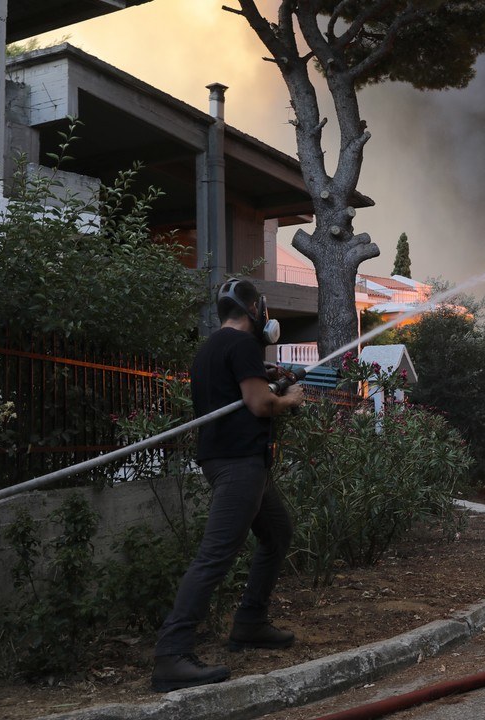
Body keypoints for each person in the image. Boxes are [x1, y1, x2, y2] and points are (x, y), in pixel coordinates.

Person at [151, 279, 305, 693]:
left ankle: (251, 622)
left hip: (227, 460)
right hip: (240, 464)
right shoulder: (242, 346)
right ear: (255, 309)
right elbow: (259, 404)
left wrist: (265, 373)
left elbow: (236, 390)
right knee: (215, 556)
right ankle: (172, 654)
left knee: (277, 532)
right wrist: (290, 399)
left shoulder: (211, 348)